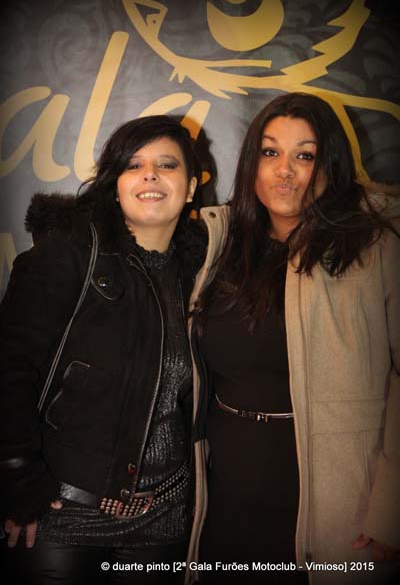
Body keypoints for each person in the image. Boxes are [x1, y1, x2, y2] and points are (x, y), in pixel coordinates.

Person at [184, 93, 400, 585]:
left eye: (305, 155)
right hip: (227, 494)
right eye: (270, 152)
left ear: (330, 167)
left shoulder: (376, 247)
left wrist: (391, 513)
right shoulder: (220, 245)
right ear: (251, 163)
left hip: (336, 503)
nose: (285, 170)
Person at [0, 115, 208, 584]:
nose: (150, 175)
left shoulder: (202, 274)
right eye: (133, 165)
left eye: (167, 165)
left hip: (164, 520)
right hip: (63, 514)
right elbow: (9, 367)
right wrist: (17, 480)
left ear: (191, 187)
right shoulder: (69, 253)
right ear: (115, 185)